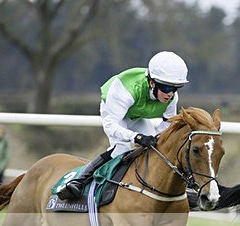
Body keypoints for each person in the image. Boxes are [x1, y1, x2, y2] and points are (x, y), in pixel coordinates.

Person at [58, 51, 189, 200]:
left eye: (175, 88)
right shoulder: (127, 89)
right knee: (121, 149)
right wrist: (136, 137)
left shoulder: (172, 97)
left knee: (154, 149)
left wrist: (156, 139)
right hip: (114, 113)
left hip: (136, 115)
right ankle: (79, 181)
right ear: (152, 83)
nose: (170, 94)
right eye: (166, 88)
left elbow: (168, 123)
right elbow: (111, 126)